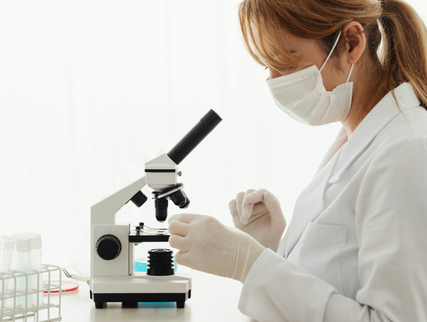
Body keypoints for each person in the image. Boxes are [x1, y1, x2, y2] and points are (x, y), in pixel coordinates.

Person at [168, 0, 427, 320]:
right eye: (267, 66)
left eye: (287, 65)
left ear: (351, 43)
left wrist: (250, 264)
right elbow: (334, 284)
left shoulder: (406, 149)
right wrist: (272, 252)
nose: (274, 82)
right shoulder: (355, 139)